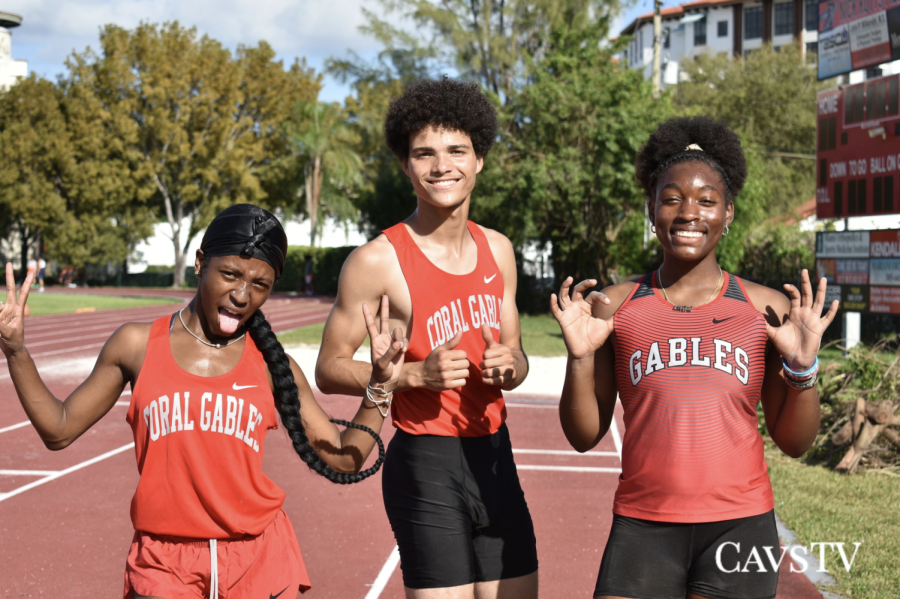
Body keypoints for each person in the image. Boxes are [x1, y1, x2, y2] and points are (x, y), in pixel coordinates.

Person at [0, 204, 408, 599]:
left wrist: (381, 386)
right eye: (229, 274)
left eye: (260, 285)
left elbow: (342, 458)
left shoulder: (272, 365)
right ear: (200, 263)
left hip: (258, 560)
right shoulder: (136, 345)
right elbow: (58, 429)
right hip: (164, 563)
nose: (242, 295)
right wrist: (16, 351)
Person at [550, 117, 838, 599]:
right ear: (651, 209)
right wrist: (579, 358)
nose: (689, 213)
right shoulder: (611, 306)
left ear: (728, 214)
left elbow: (794, 442)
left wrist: (803, 368)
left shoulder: (768, 309)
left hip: (740, 527)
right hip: (643, 525)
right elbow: (583, 437)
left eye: (707, 200)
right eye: (672, 198)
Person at [315, 78, 539, 599]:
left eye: (457, 150)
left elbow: (517, 358)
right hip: (427, 465)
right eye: (425, 154)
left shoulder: (499, 250)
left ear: (479, 159)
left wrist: (514, 367)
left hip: (496, 459)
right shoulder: (377, 261)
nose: (443, 166)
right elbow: (329, 366)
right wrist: (414, 375)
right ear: (406, 165)